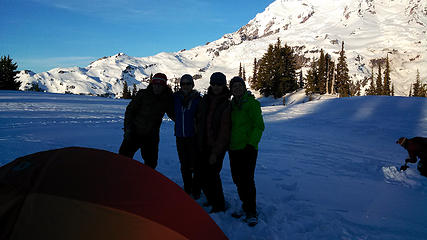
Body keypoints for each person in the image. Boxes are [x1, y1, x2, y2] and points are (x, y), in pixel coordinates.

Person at [228, 76, 264, 227]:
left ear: (243, 87)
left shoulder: (252, 103)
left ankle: (251, 211)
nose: (236, 88)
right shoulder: (232, 105)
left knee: (247, 180)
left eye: (239, 86)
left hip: (248, 149)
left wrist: (251, 144)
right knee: (237, 179)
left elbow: (259, 126)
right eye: (234, 86)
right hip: (233, 148)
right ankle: (245, 206)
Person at [119, 73, 174, 169]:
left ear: (164, 86)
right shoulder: (143, 94)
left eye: (160, 85)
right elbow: (130, 111)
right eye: (155, 84)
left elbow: (173, 114)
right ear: (152, 84)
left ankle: (146, 182)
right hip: (134, 132)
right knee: (123, 159)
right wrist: (128, 129)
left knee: (151, 164)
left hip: (151, 137)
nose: (157, 87)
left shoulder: (166, 99)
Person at [196, 72, 231, 213]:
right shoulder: (205, 100)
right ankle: (212, 199)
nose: (216, 87)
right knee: (203, 175)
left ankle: (219, 204)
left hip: (216, 147)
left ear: (224, 85)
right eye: (214, 84)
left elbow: (224, 131)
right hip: (203, 144)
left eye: (219, 84)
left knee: (213, 175)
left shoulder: (226, 104)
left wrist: (216, 152)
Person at [173, 74, 202, 198]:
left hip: (193, 136)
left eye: (188, 84)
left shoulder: (197, 99)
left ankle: (196, 190)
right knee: (184, 164)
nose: (185, 86)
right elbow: (171, 111)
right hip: (180, 136)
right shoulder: (175, 98)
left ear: (192, 85)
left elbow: (201, 116)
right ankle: (187, 188)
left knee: (195, 164)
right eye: (183, 84)